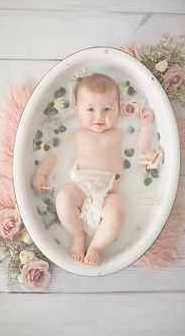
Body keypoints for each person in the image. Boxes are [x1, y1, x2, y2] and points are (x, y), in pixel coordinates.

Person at [32, 74, 125, 266]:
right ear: (77, 109)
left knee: (116, 213)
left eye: (107, 109)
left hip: (108, 193)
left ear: (118, 108)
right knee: (64, 197)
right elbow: (55, 155)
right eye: (90, 109)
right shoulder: (77, 134)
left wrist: (147, 125)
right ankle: (77, 236)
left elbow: (141, 145)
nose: (99, 116)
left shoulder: (118, 133)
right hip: (80, 186)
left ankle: (96, 247)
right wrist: (41, 173)